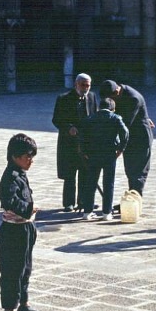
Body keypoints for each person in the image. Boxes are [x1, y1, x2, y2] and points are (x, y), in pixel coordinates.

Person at [0, 133, 41, 311]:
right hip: (13, 231)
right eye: (27, 157)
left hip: (26, 228)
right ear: (15, 156)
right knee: (12, 270)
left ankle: (23, 303)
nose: (30, 161)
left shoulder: (21, 174)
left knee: (25, 268)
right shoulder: (10, 177)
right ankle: (9, 308)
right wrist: (28, 209)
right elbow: (9, 201)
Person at [99, 79, 155, 202]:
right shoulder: (119, 93)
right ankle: (131, 199)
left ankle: (135, 201)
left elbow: (124, 124)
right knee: (130, 170)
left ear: (116, 92)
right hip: (129, 137)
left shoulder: (132, 98)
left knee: (138, 171)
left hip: (140, 138)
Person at [52, 73, 97, 212]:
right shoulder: (64, 99)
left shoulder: (92, 97)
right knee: (70, 174)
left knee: (85, 173)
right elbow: (56, 119)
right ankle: (68, 203)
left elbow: (95, 115)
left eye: (88, 85)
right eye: (83, 85)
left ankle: (83, 202)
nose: (85, 88)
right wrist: (68, 128)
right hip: (69, 143)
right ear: (76, 84)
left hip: (86, 142)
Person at [78, 98, 129, 221]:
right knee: (108, 183)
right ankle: (106, 212)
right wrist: (121, 149)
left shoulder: (90, 119)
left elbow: (82, 135)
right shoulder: (116, 118)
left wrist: (84, 151)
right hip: (109, 153)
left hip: (93, 154)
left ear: (99, 107)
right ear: (113, 108)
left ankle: (87, 212)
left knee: (91, 183)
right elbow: (125, 133)